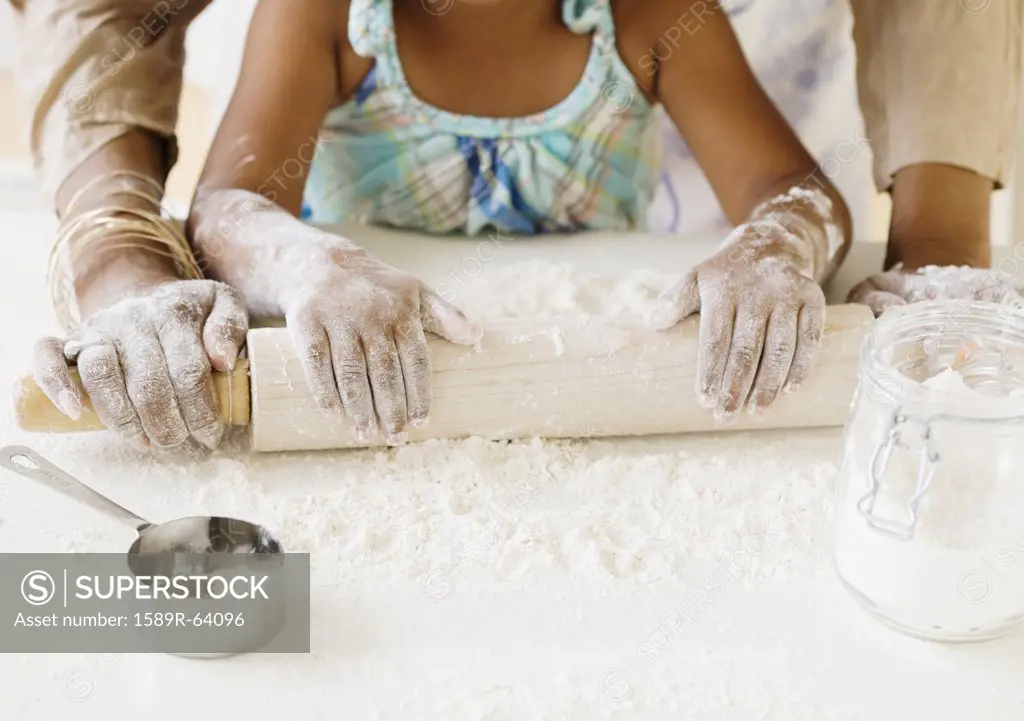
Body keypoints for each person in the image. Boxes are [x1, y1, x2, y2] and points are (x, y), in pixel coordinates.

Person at [11, 0, 1020, 451]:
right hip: (365, 297)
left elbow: (793, 195)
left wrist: (778, 244)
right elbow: (232, 205)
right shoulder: (327, 14)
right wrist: (308, 266)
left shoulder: (648, 16)